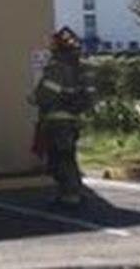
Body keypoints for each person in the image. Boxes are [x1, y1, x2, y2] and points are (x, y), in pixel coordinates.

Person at [31, 28, 93, 208]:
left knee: (60, 158)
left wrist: (34, 98)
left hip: (57, 121)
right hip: (72, 120)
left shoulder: (57, 68)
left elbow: (45, 95)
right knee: (68, 156)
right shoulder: (79, 68)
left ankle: (70, 193)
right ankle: (70, 191)